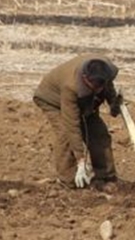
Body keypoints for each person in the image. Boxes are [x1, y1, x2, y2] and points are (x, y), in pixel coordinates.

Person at [33, 54, 123, 188]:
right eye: (94, 88)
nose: (98, 90)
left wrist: (114, 103)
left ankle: (105, 176)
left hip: (84, 100)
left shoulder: (104, 69)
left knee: (99, 133)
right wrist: (81, 161)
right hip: (53, 101)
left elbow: (108, 87)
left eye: (100, 87)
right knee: (65, 136)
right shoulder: (70, 87)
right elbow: (72, 126)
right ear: (86, 79)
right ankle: (68, 181)